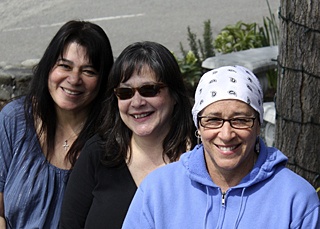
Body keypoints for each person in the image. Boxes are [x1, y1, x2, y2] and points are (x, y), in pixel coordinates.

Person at [122, 65, 320, 228]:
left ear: (258, 125)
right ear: (198, 125)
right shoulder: (158, 190)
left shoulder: (296, 199)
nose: (226, 135)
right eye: (213, 120)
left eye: (241, 120)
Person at [59, 41, 196, 228]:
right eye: (125, 93)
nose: (137, 102)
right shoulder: (98, 154)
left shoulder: (202, 156)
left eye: (149, 90)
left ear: (174, 94)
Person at [0, 20, 114, 228]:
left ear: (103, 80)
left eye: (88, 71)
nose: (74, 79)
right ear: (48, 66)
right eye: (65, 66)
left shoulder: (111, 139)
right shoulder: (14, 120)